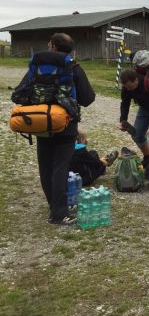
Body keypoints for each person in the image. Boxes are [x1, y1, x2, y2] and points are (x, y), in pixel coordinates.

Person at [15, 33, 96, 225]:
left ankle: (55, 205)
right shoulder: (73, 68)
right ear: (70, 49)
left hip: (40, 122)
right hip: (65, 124)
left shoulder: (36, 67)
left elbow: (21, 92)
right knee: (61, 167)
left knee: (46, 166)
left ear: (52, 45)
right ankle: (59, 214)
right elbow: (88, 98)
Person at [118, 68, 149, 168]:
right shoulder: (126, 87)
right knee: (137, 135)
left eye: (130, 87)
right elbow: (125, 103)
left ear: (136, 80)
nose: (128, 89)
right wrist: (123, 121)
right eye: (126, 87)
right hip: (144, 109)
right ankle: (148, 157)